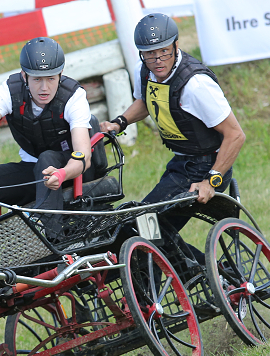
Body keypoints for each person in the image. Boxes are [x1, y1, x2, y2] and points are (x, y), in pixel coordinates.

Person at [101, 13, 246, 236]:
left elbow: (235, 135)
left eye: (164, 51)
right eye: (150, 54)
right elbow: (146, 101)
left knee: (144, 227)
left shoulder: (196, 85)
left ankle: (197, 270)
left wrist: (211, 180)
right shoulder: (147, 71)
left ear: (176, 45)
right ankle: (184, 270)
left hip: (206, 167)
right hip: (181, 163)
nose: (158, 60)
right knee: (152, 228)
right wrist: (120, 123)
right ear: (141, 53)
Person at [0, 37, 94, 236]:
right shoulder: (8, 91)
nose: (44, 87)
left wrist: (61, 174)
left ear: (60, 74)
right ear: (24, 75)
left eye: (51, 79)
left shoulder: (74, 96)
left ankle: (54, 243)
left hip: (71, 171)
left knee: (47, 159)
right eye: (37, 79)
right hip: (33, 171)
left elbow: (83, 155)